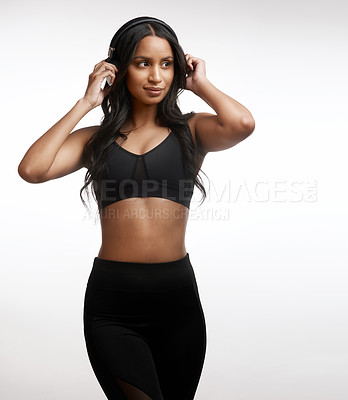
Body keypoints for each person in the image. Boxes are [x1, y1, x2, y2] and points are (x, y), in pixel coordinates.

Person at [18, 16, 255, 400]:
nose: (156, 76)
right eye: (143, 63)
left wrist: (202, 84)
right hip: (114, 305)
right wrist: (86, 102)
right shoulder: (95, 140)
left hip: (177, 302)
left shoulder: (191, 132)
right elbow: (32, 169)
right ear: (119, 67)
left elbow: (242, 123)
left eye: (167, 64)